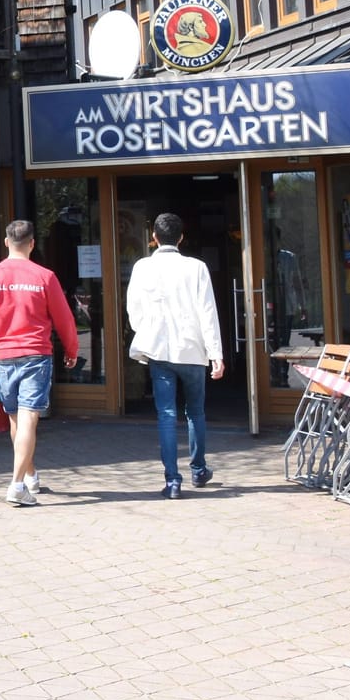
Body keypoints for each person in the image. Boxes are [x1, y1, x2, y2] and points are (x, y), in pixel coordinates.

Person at [0, 219, 80, 506]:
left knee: (17, 420)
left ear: (6, 242)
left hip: (4, 356)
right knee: (29, 419)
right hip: (35, 355)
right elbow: (65, 318)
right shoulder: (45, 277)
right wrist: (72, 348)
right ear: (32, 244)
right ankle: (17, 485)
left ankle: (30, 476)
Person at [125, 212, 225, 498]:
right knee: (196, 412)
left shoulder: (142, 267)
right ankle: (198, 469)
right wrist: (215, 353)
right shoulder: (196, 267)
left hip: (159, 349)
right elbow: (208, 312)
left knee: (166, 415)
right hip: (192, 349)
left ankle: (172, 481)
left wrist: (146, 330)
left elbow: (134, 309)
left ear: (153, 237)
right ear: (181, 237)